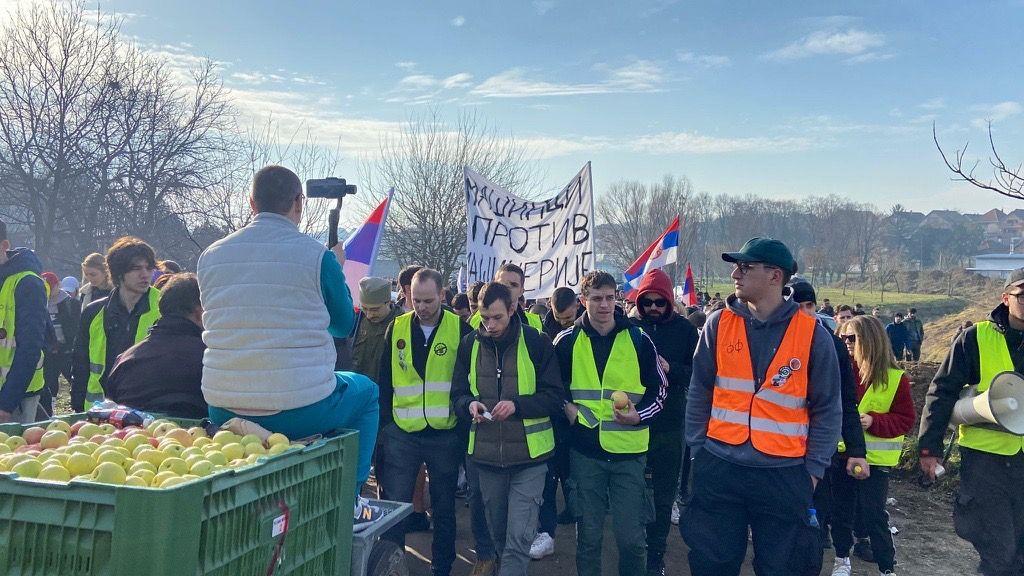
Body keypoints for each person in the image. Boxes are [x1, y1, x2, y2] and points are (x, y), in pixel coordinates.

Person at [198, 165, 381, 528]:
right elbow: (343, 325)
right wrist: (336, 274)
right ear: (298, 203)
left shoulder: (211, 256)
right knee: (368, 393)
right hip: (300, 409)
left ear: (251, 202)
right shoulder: (316, 256)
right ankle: (352, 498)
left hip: (223, 409)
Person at [682, 237, 842, 576]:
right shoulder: (718, 324)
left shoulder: (813, 334)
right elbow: (700, 389)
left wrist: (813, 471)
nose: (735, 274)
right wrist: (698, 449)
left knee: (783, 567)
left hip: (783, 474)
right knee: (712, 563)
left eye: (745, 267)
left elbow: (828, 408)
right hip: (720, 466)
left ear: (775, 276)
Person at [554, 270, 667, 576]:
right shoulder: (566, 341)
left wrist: (638, 415)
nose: (604, 305)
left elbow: (661, 390)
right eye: (596, 298)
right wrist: (567, 407)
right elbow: (551, 387)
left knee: (631, 540)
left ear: (616, 298)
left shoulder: (639, 339)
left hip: (629, 455)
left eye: (609, 298)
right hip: (586, 454)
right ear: (582, 301)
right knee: (588, 540)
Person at [452, 282, 562, 576]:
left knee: (517, 542)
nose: (489, 325)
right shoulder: (468, 345)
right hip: (487, 460)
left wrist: (516, 405)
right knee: (500, 539)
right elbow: (458, 394)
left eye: (497, 317)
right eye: (484, 317)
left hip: (530, 460)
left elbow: (555, 398)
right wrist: (468, 406)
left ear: (513, 309)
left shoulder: (537, 342)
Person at [919, 269, 1024, 576]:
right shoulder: (976, 337)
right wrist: (929, 448)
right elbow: (942, 392)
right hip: (986, 463)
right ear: (1005, 299)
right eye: (1023, 295)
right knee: (999, 552)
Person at [377, 267, 474, 576]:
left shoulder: (459, 329)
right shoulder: (397, 328)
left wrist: (461, 433)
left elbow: (467, 382)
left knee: (445, 508)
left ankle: (441, 568)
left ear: (442, 295)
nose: (421, 307)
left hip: (444, 434)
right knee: (394, 508)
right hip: (403, 433)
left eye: (429, 300)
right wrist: (385, 428)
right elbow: (385, 380)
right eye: (416, 300)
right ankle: (392, 566)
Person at [787, 279, 869, 558]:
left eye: (809, 305)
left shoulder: (832, 345)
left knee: (816, 516)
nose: (805, 312)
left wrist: (857, 449)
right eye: (798, 306)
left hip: (820, 444)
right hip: (780, 445)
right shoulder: (777, 340)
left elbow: (846, 400)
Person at [831, 316, 913, 576]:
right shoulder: (838, 370)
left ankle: (886, 567)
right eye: (842, 337)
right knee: (841, 512)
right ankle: (842, 558)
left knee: (874, 515)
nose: (846, 343)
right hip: (840, 455)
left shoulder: (894, 378)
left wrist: (874, 422)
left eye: (852, 338)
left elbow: (905, 419)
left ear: (870, 340)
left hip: (875, 460)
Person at [630, 269, 699, 576]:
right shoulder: (630, 329)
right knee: (630, 493)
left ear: (670, 301)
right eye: (648, 302)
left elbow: (698, 376)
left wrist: (671, 369)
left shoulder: (686, 331)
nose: (654, 308)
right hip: (634, 424)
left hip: (670, 425)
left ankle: (655, 558)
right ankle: (634, 551)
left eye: (660, 302)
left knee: (662, 494)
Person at [71, 237, 161, 412]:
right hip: (98, 411)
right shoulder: (93, 312)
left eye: (149, 267)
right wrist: (78, 408)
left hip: (147, 412)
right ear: (119, 273)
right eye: (136, 268)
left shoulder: (164, 307)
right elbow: (80, 363)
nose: (145, 274)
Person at [104, 273, 207, 418]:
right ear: (199, 312)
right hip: (201, 438)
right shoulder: (210, 359)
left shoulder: (125, 359)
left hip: (132, 437)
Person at [0, 220, 47, 424]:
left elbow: (29, 348)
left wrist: (6, 404)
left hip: (15, 399)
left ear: (4, 246)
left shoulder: (28, 283)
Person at [40, 272, 80, 417]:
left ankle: (78, 408)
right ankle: (50, 411)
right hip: (50, 351)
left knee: (74, 379)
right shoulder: (40, 302)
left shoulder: (70, 302)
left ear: (58, 285)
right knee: (50, 381)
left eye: (51, 287)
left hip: (68, 350)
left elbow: (76, 326)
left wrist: (70, 346)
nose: (49, 292)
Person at [351, 277, 403, 385]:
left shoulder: (403, 324)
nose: (369, 315)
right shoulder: (357, 320)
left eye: (375, 309)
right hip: (357, 388)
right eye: (365, 308)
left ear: (388, 302)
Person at [469, 264, 543, 331]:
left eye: (513, 285)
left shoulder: (536, 323)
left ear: (521, 291)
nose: (507, 288)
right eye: (501, 284)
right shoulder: (475, 321)